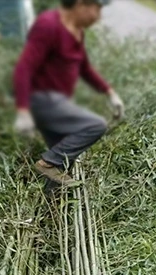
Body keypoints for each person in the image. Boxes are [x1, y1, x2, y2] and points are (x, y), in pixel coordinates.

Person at [12, 0, 124, 188]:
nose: (97, 18)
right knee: (95, 125)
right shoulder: (49, 25)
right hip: (42, 99)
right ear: (81, 4)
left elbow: (85, 68)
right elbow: (24, 68)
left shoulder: (77, 31)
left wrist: (110, 92)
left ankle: (51, 210)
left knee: (63, 163)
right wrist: (23, 110)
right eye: (96, 10)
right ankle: (47, 162)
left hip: (58, 103)